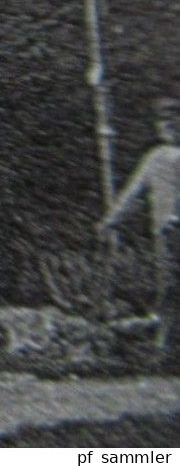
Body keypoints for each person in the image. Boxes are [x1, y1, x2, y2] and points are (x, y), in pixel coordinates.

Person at [98, 99, 180, 360]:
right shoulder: (155, 158)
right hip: (167, 233)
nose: (169, 128)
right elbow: (134, 194)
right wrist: (111, 221)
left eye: (174, 121)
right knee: (169, 287)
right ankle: (164, 345)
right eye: (164, 123)